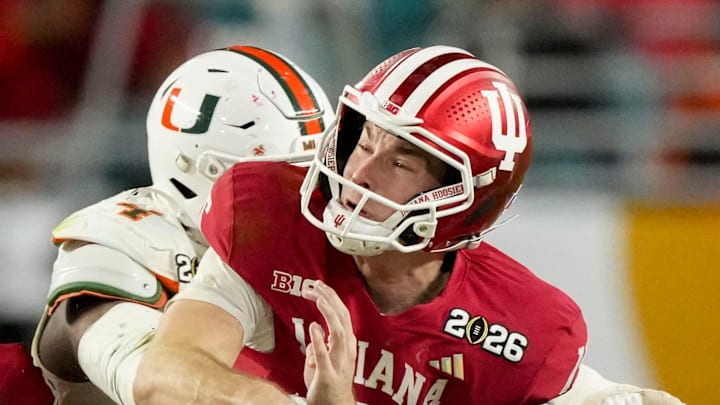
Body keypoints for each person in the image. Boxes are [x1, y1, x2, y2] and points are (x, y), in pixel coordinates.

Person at [133, 45, 684, 404]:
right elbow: (165, 372)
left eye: (400, 161)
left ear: (464, 199)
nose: (360, 172)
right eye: (363, 141)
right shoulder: (268, 219)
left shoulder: (520, 329)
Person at [29, 44, 335, 404]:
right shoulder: (127, 245)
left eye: (319, 173)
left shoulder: (312, 248)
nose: (311, 196)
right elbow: (158, 386)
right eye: (286, 177)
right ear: (202, 173)